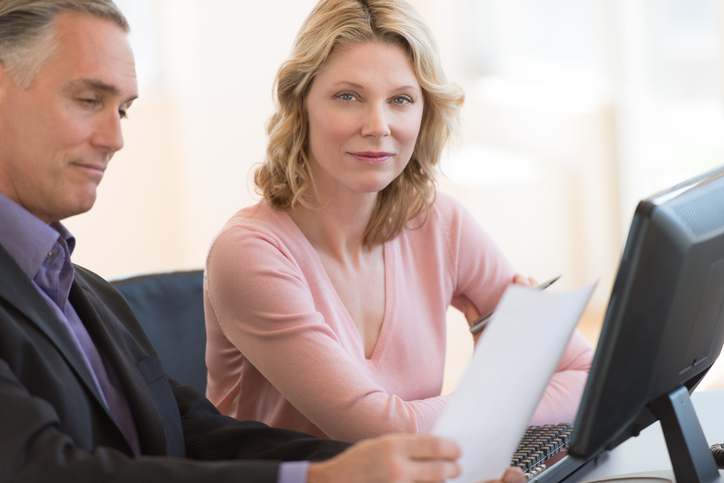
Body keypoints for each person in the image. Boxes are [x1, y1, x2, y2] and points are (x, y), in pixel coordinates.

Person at [0, 1, 524, 482]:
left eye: (123, 110)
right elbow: (41, 469)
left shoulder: (82, 288)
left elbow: (194, 432)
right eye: (89, 99)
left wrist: (402, 468)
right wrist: (322, 477)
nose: (116, 138)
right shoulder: (248, 250)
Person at [204, 0, 594, 446]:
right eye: (347, 96)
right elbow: (384, 432)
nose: (378, 125)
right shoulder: (248, 254)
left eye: (401, 100)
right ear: (301, 103)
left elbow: (587, 373)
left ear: (424, 112)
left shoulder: (440, 223)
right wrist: (496, 396)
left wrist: (487, 406)